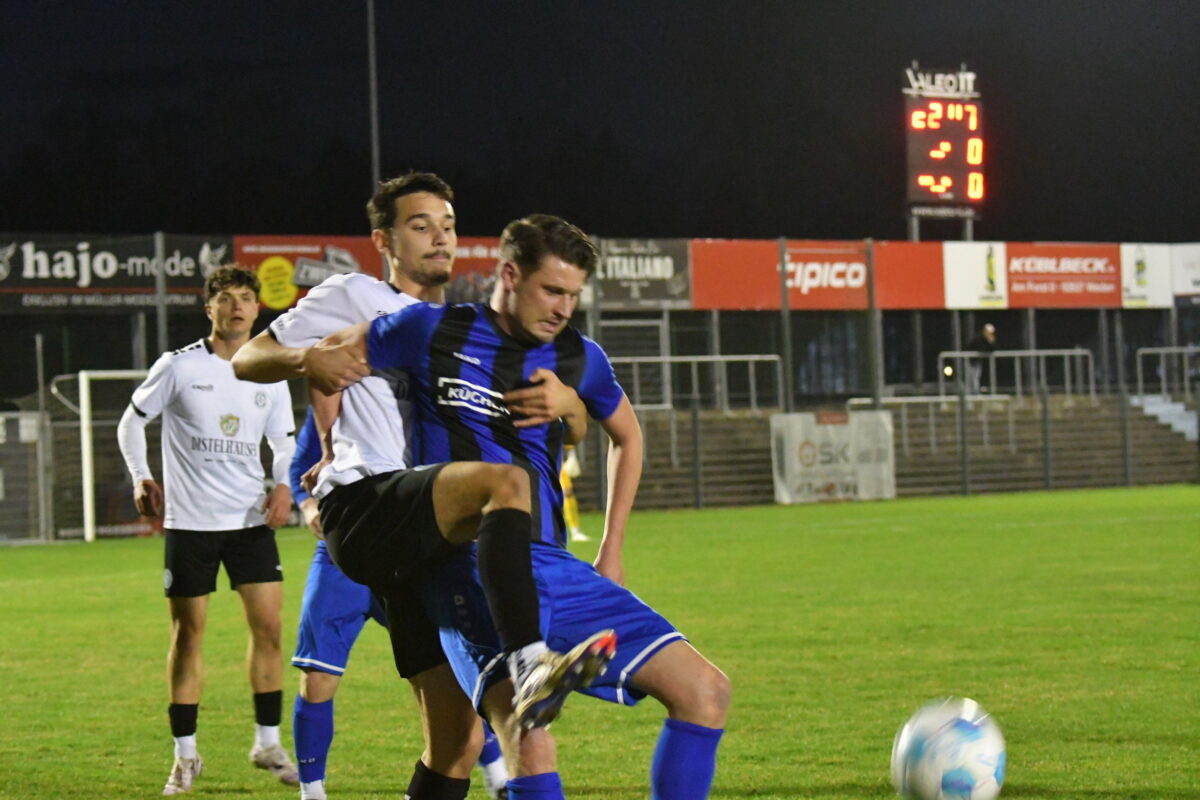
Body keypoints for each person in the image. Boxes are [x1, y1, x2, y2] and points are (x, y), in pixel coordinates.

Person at [314, 214, 731, 799]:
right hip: (467, 566)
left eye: (574, 296)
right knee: (526, 738)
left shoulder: (579, 358)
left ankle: (535, 667)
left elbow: (629, 437)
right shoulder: (431, 330)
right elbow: (329, 357)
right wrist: (333, 451)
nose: (563, 308)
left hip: (554, 563)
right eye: (552, 290)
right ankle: (528, 665)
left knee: (706, 692)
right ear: (509, 274)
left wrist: (611, 549)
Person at [232, 172, 613, 800]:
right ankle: (530, 659)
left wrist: (569, 406)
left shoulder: (453, 326)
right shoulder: (354, 293)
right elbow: (248, 358)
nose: (440, 238)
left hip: (420, 540)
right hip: (372, 504)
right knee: (503, 485)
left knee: (457, 741)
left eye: (448, 224)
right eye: (420, 225)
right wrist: (306, 361)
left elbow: (568, 430)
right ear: (383, 239)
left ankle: (522, 674)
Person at [116, 265, 300, 796]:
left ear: (258, 309)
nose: (237, 306)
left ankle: (267, 742)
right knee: (188, 636)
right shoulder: (177, 367)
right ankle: (186, 755)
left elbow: (284, 441)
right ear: (209, 309)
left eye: (246, 298)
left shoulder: (269, 373)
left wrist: (284, 484)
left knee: (268, 629)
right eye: (226, 298)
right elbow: (131, 421)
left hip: (249, 522)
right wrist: (142, 476)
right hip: (191, 524)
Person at [288, 408, 510, 800]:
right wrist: (308, 506)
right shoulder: (350, 385)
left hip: (421, 555)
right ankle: (312, 792)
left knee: (459, 676)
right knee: (317, 672)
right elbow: (303, 459)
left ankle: (497, 773)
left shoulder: (431, 388)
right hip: (348, 551)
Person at [559, 445, 589, 542]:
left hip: (556, 462)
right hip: (544, 461)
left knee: (567, 493)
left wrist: (571, 453)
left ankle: (575, 531)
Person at [965, 322, 997, 394]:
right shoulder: (979, 338)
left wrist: (991, 343)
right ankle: (973, 394)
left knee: (976, 377)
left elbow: (992, 349)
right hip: (971, 360)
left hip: (977, 361)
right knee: (971, 377)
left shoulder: (987, 339)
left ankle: (975, 393)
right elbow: (980, 349)